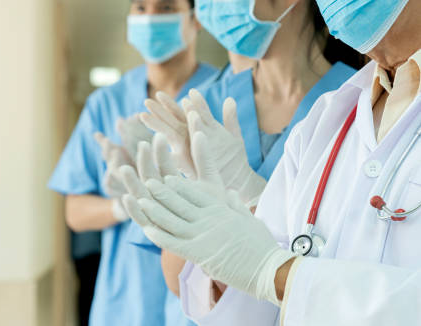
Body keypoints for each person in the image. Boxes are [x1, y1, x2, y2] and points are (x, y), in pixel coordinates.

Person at [122, 0, 421, 324]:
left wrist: (277, 272)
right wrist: (239, 213)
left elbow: (279, 273)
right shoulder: (328, 117)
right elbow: (261, 302)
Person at [48, 0, 219, 324]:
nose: (151, 18)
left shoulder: (221, 94)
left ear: (196, 20)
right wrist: (123, 206)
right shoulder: (107, 103)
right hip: (125, 303)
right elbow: (75, 212)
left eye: (166, 7)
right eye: (140, 8)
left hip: (201, 300)